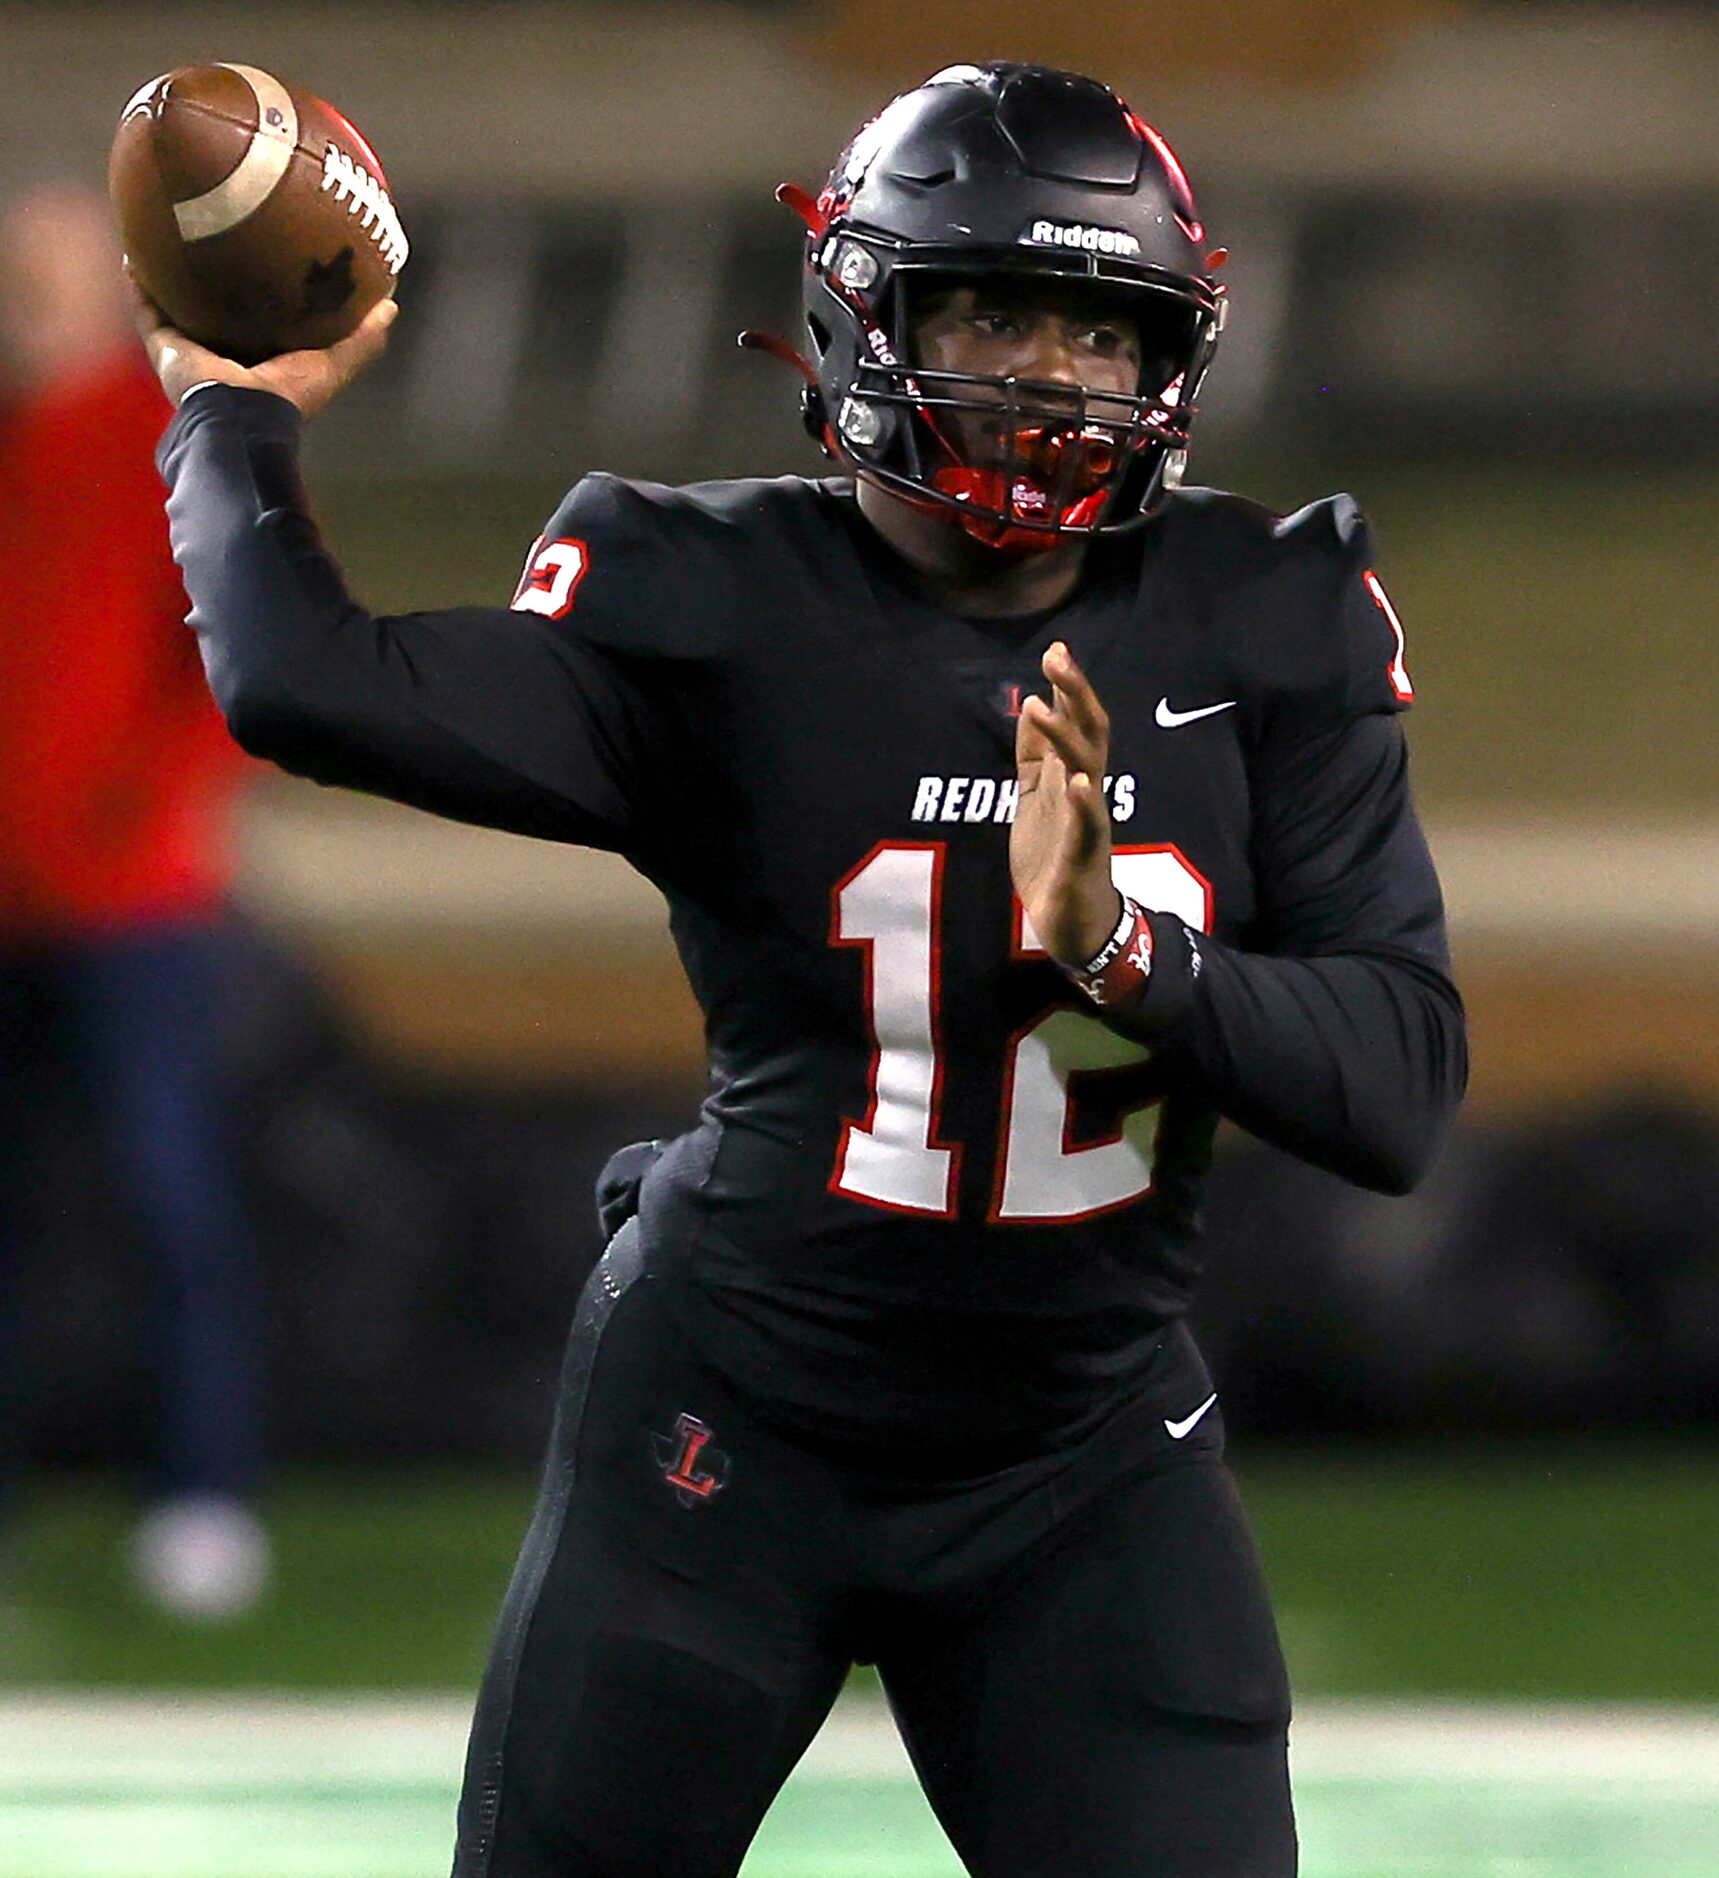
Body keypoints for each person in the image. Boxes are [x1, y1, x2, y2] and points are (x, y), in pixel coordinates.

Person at [142, 62, 1464, 1876]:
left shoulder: (1266, 618)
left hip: (1083, 1458)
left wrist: (1118, 947)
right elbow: (309, 681)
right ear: (862, 314)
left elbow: (1398, 1087)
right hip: (731, 1431)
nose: (1047, 370)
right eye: (993, 304)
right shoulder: (717, 600)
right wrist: (229, 410)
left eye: (1097, 323)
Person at [0, 186, 270, 1619]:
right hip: (10, 905)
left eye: (51, 274)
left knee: (166, 1194)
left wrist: (133, 818)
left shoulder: (170, 451)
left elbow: (231, 666)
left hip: (132, 906)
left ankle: (204, 1493)